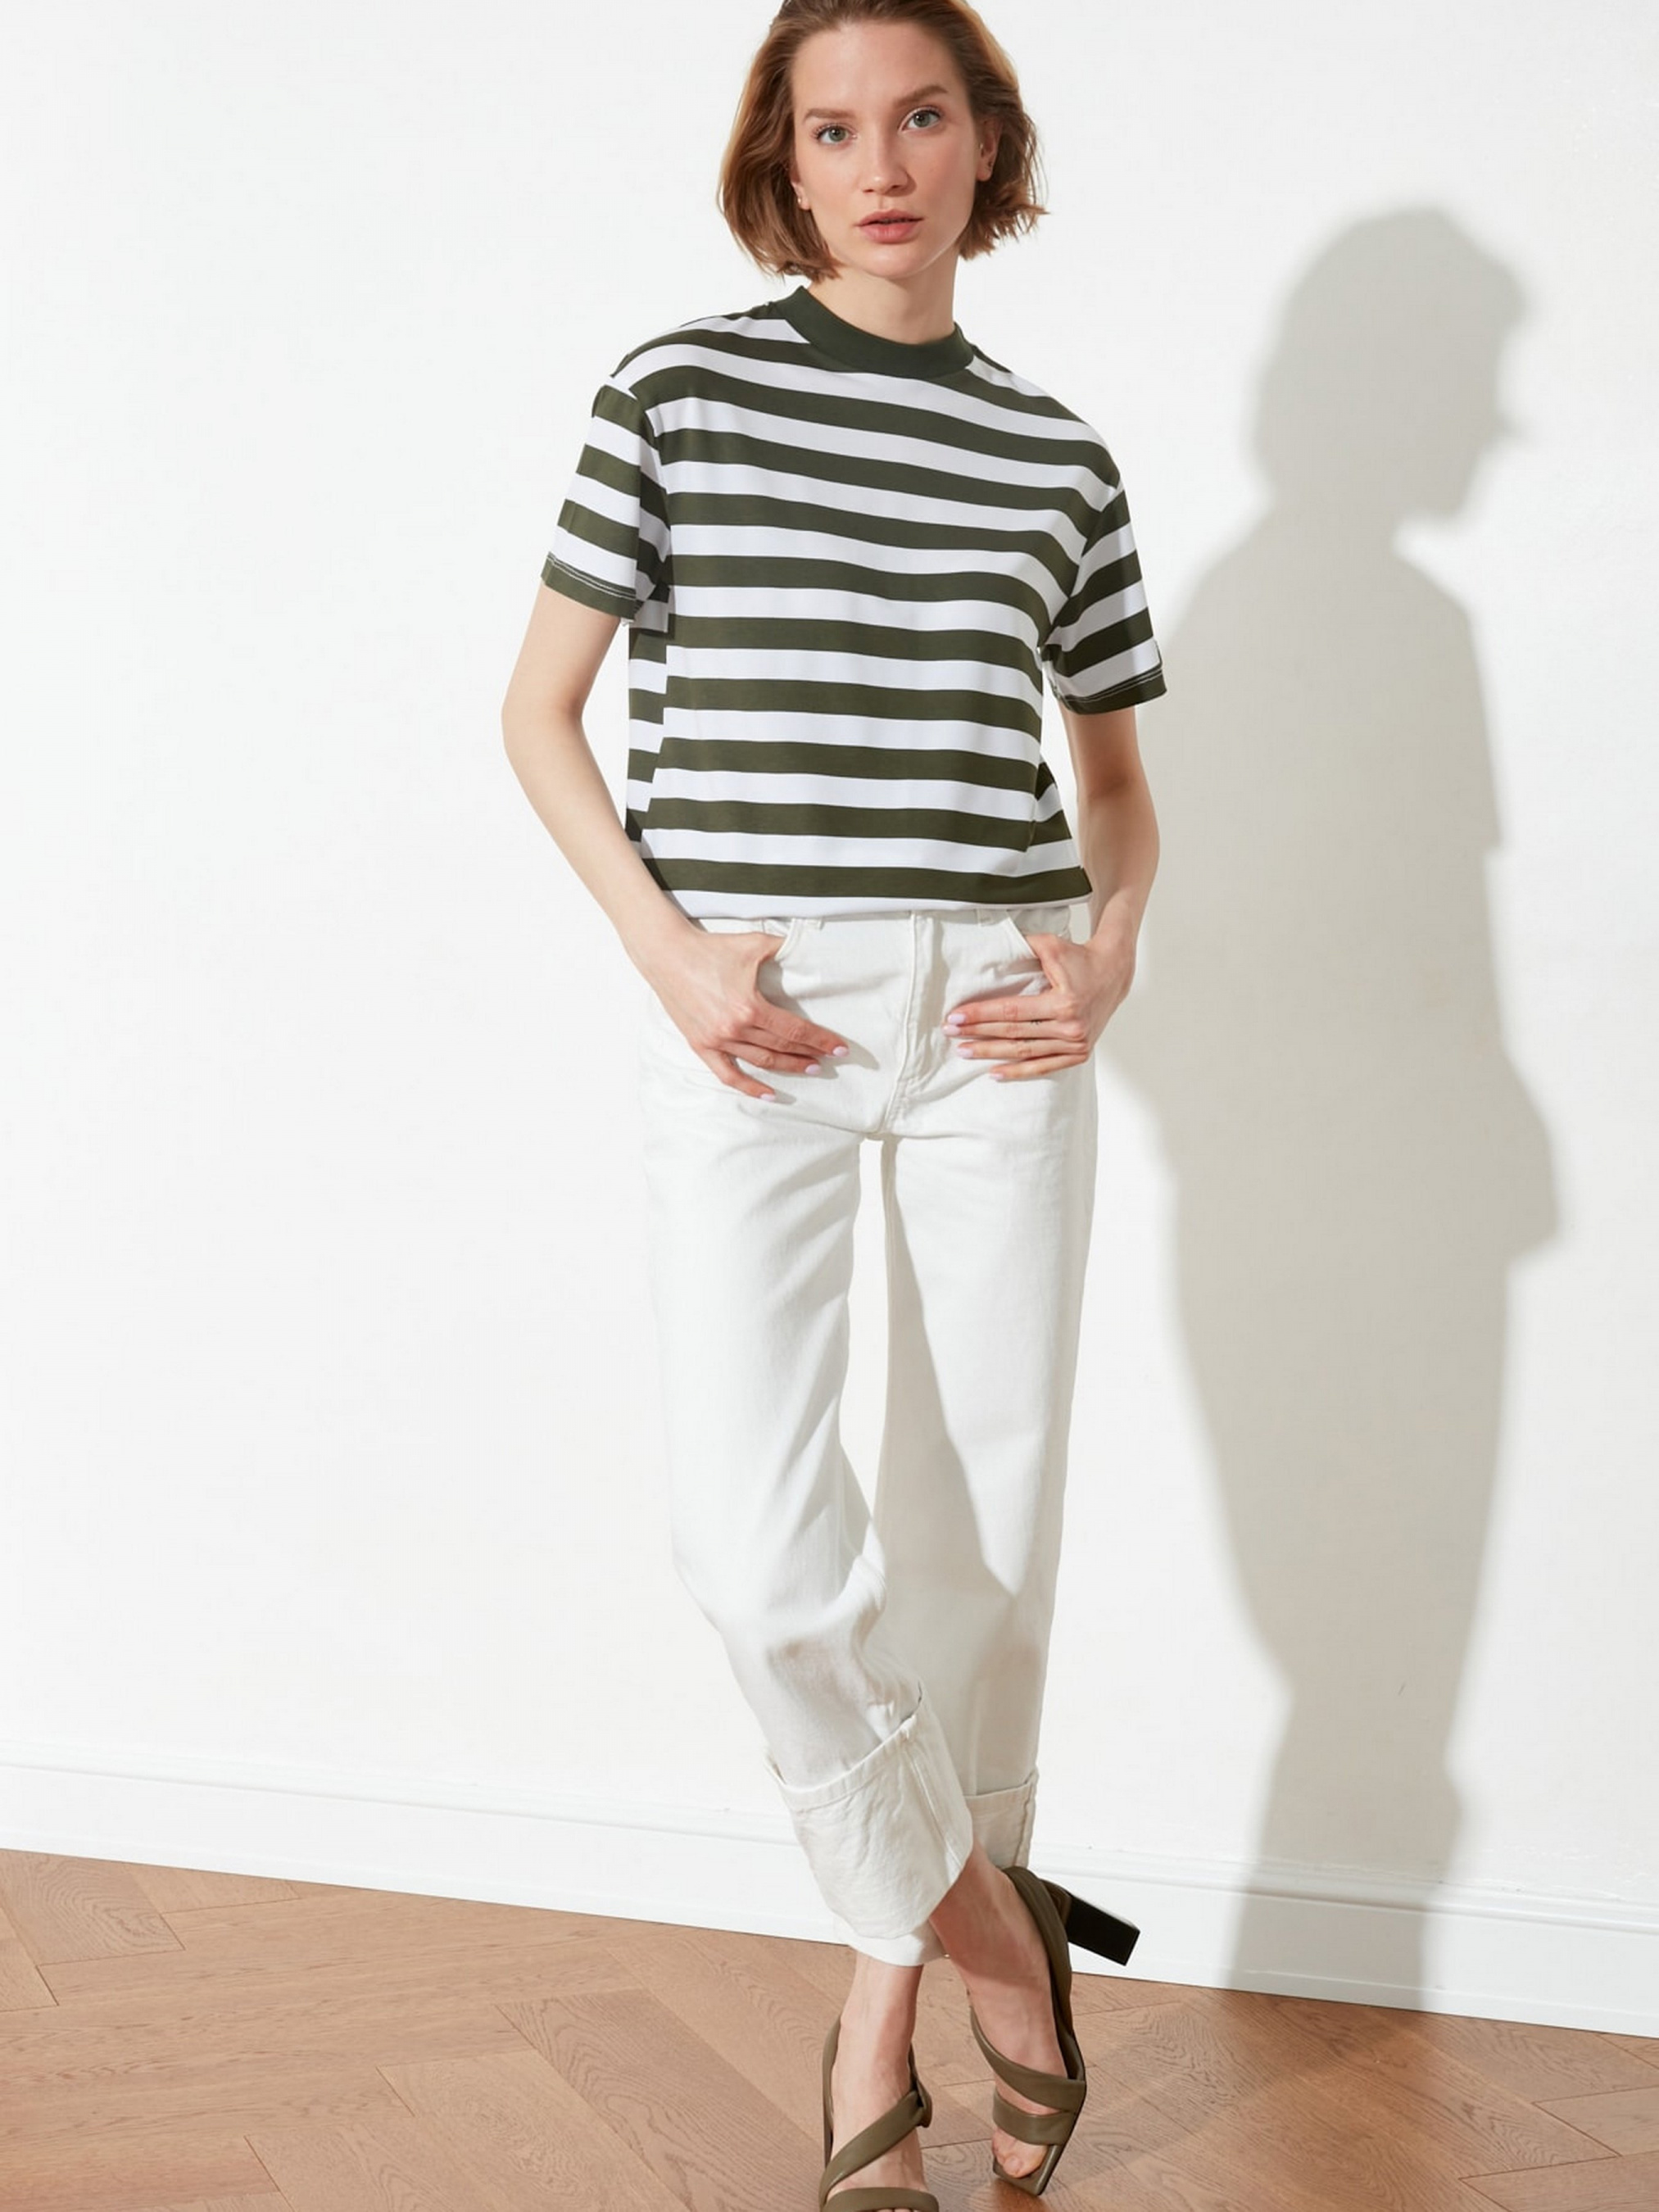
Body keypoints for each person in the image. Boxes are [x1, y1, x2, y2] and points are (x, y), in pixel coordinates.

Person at [501, 3, 1166, 2203]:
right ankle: (1003, 1939)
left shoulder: (1057, 457)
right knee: (759, 1559)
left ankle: (882, 2004)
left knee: (979, 1543)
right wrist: (670, 952)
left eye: (922, 117)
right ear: (781, 165)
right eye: (833, 128)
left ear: (985, 146)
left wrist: (1109, 948)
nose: (880, 163)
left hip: (996, 1007)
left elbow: (1114, 787)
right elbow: (536, 715)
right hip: (753, 1007)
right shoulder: (675, 393)